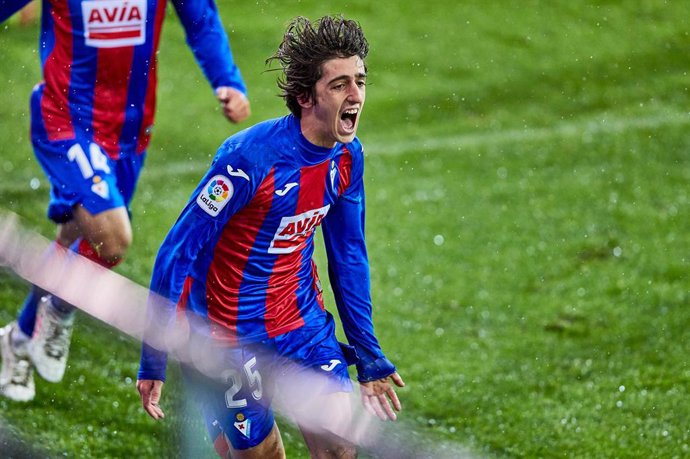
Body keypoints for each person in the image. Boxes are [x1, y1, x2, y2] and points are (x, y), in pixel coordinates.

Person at [136, 15, 404, 459]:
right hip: (227, 336)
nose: (356, 95)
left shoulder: (346, 159)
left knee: (341, 447)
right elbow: (175, 253)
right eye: (339, 85)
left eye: (360, 80)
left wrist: (369, 353)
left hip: (302, 326)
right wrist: (154, 356)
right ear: (305, 96)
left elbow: (349, 255)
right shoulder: (247, 161)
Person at [0, 0, 251, 402]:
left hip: (129, 133)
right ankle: (59, 313)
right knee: (112, 240)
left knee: (76, 239)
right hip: (66, 121)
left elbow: (200, 18)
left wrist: (228, 80)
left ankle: (18, 339)